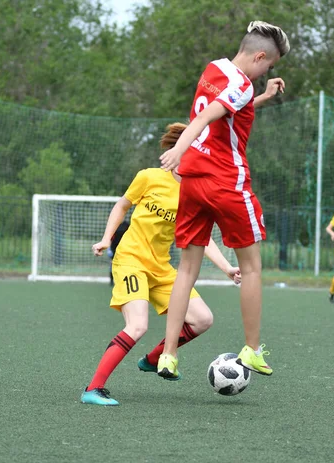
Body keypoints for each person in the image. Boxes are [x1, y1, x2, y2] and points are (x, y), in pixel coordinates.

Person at [156, 21, 291, 380]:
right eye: (270, 66)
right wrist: (177, 152)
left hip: (194, 183)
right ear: (260, 56)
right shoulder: (243, 83)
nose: (267, 73)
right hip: (226, 181)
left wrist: (262, 98)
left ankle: (168, 354)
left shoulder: (214, 68)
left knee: (187, 269)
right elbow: (207, 116)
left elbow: (227, 109)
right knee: (251, 268)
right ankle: (252, 349)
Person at [81, 123, 241, 406]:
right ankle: (93, 389)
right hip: (131, 261)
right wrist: (107, 238)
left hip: (161, 268)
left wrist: (226, 267)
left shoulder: (194, 192)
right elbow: (121, 205)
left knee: (203, 319)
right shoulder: (149, 177)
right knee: (138, 326)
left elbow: (202, 238)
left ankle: (154, 359)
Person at [107, 221, 129, 286]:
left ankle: (122, 280)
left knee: (122, 264)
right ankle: (112, 280)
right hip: (116, 247)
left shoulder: (125, 225)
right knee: (114, 264)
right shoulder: (113, 225)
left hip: (123, 247)